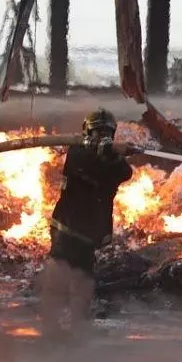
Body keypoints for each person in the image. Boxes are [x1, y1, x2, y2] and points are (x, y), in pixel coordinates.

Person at [40, 108, 137, 331]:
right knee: (59, 275)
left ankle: (79, 324)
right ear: (88, 132)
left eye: (107, 132)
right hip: (67, 227)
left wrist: (113, 154)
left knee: (83, 279)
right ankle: (50, 324)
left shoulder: (112, 161)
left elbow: (124, 173)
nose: (103, 135)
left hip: (89, 232)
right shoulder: (77, 151)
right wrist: (106, 152)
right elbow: (87, 166)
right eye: (98, 131)